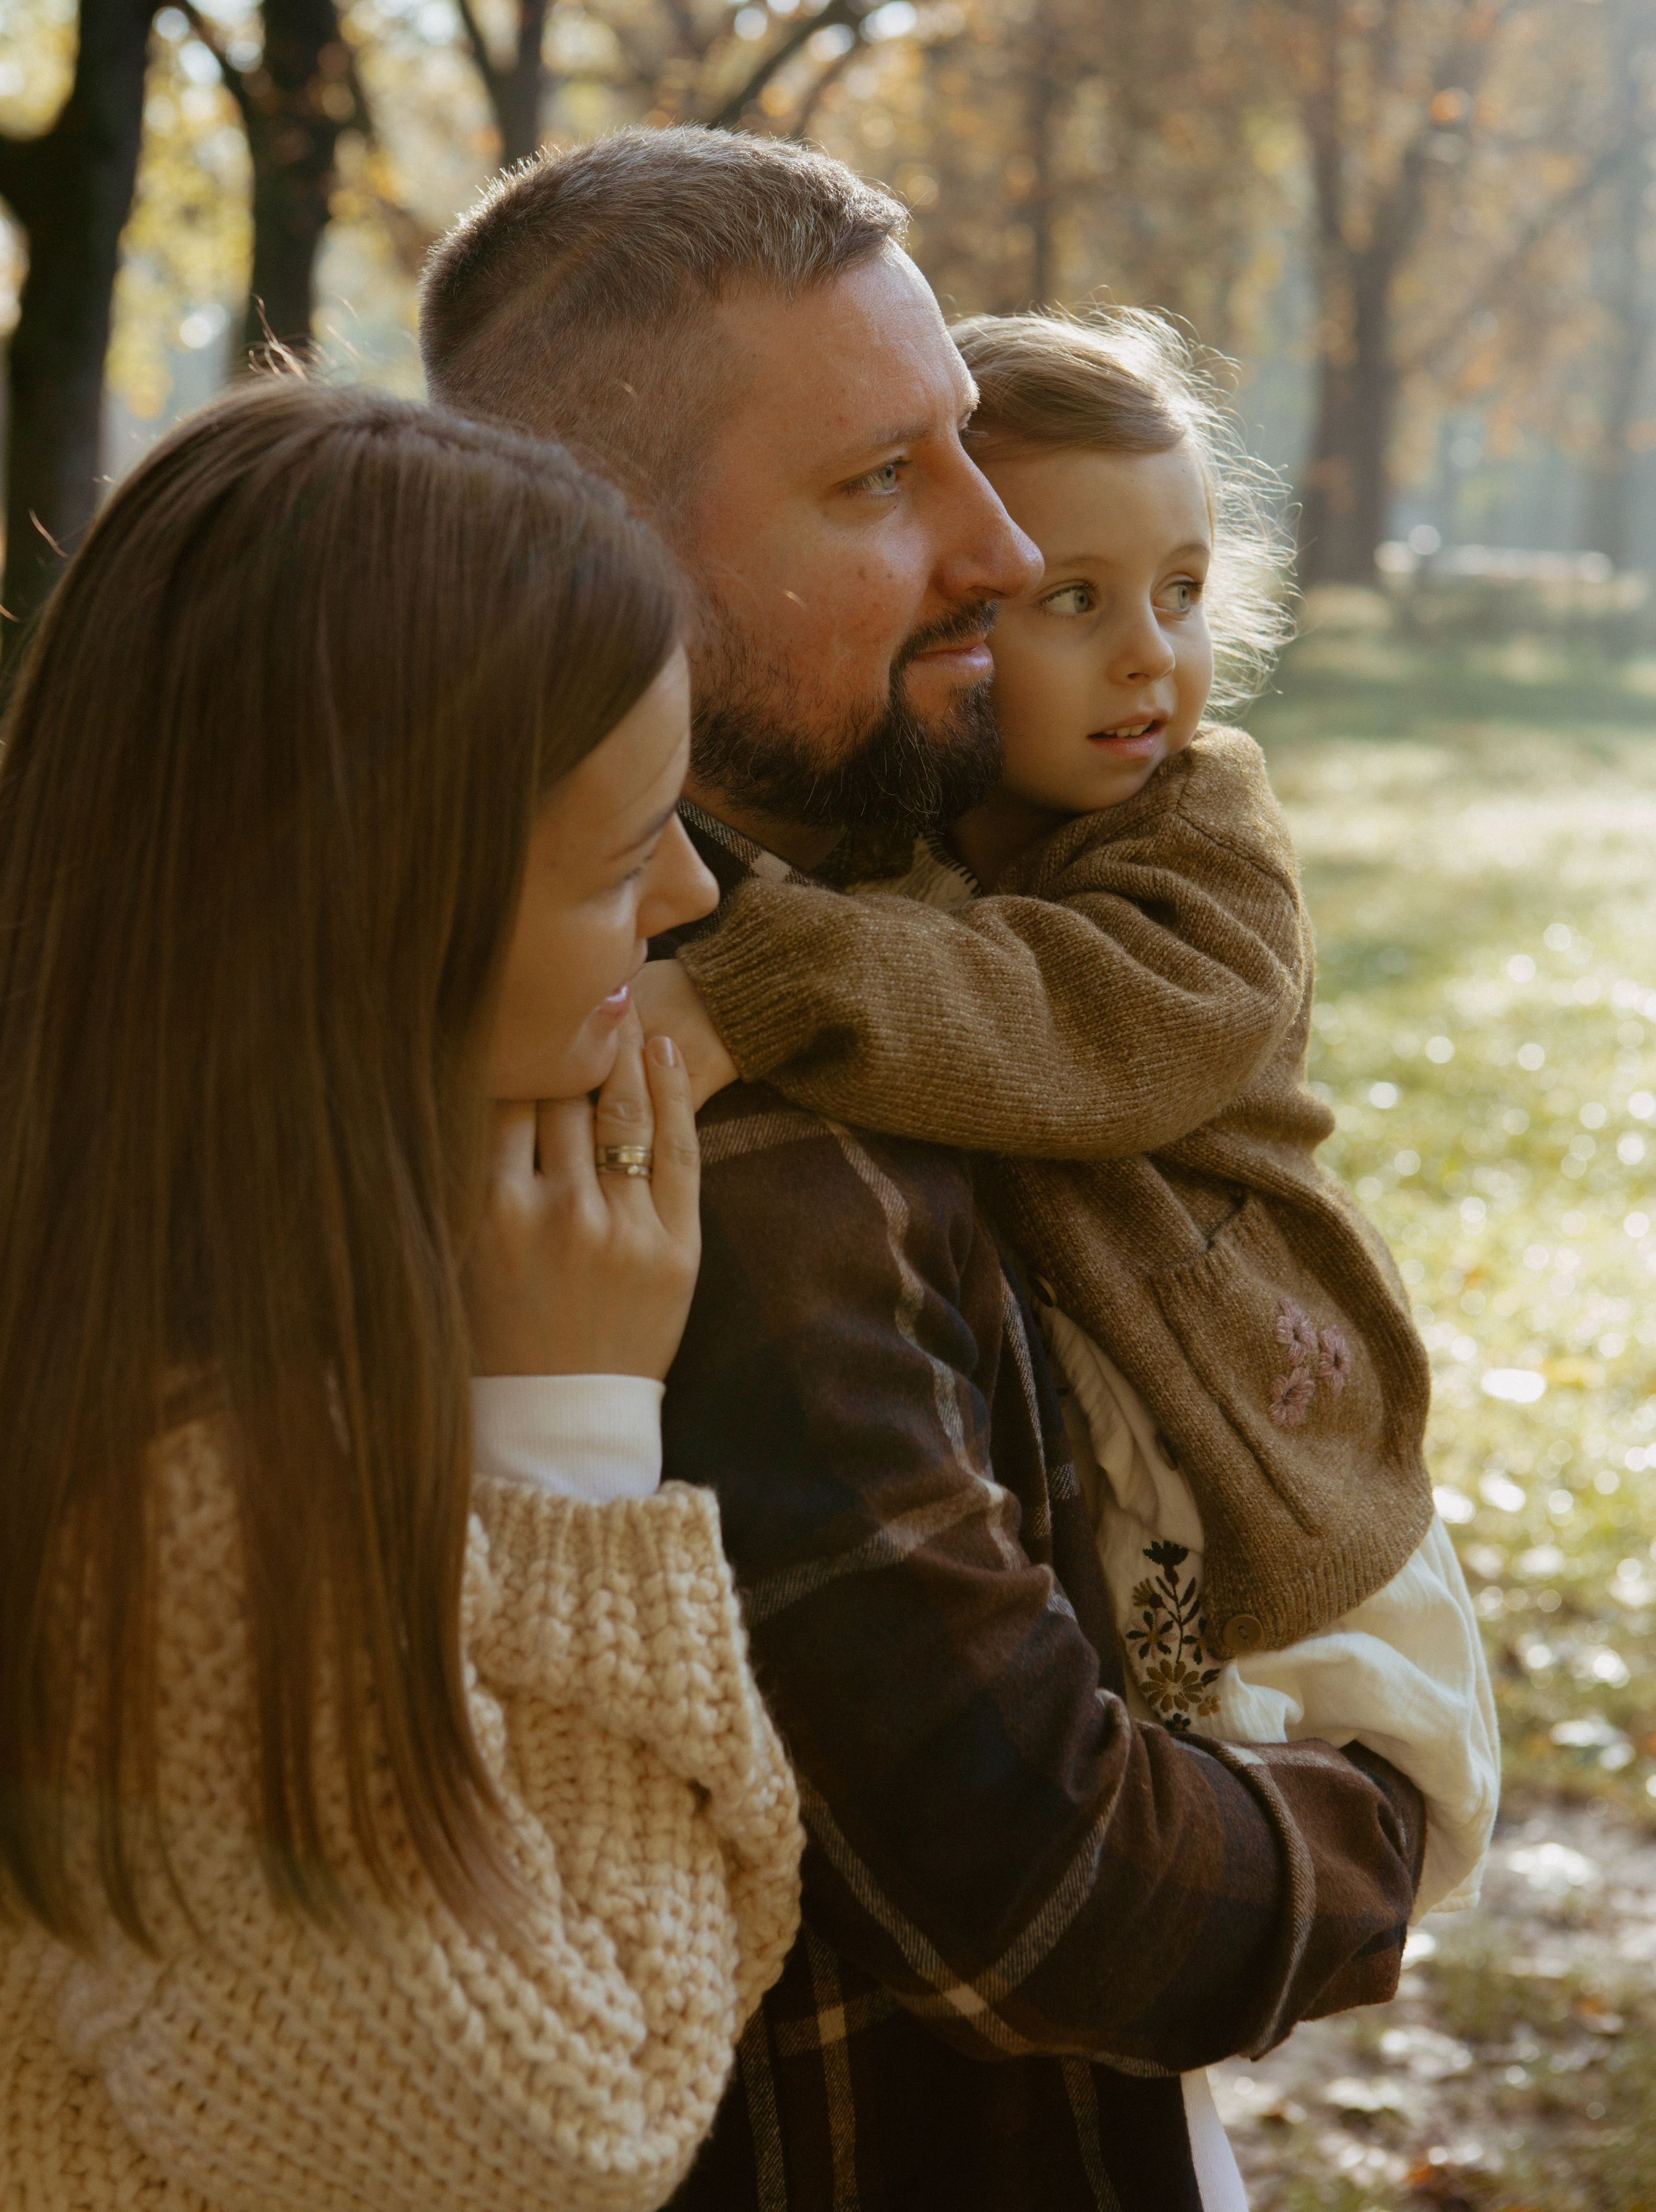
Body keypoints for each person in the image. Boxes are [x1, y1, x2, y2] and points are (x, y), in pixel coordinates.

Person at [420, 127, 1430, 2212]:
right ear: (598, 536)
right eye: (884, 482)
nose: (993, 548)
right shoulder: (738, 1138)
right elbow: (1064, 1897)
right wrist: (1382, 1828)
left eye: (968, 449)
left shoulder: (895, 892)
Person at [0, 382, 803, 2211]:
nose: (686, 898)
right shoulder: (192, 1516)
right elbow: (561, 2139)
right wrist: (579, 1456)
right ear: (366, 917)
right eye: (621, 862)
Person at [644, 306, 1499, 1927]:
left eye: (1178, 593)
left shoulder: (1202, 829)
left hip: (1252, 1445)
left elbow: (1081, 1016)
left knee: (1287, 1760)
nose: (1147, 657)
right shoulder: (908, 824)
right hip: (1086, 1446)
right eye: (1072, 601)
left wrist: (760, 982)